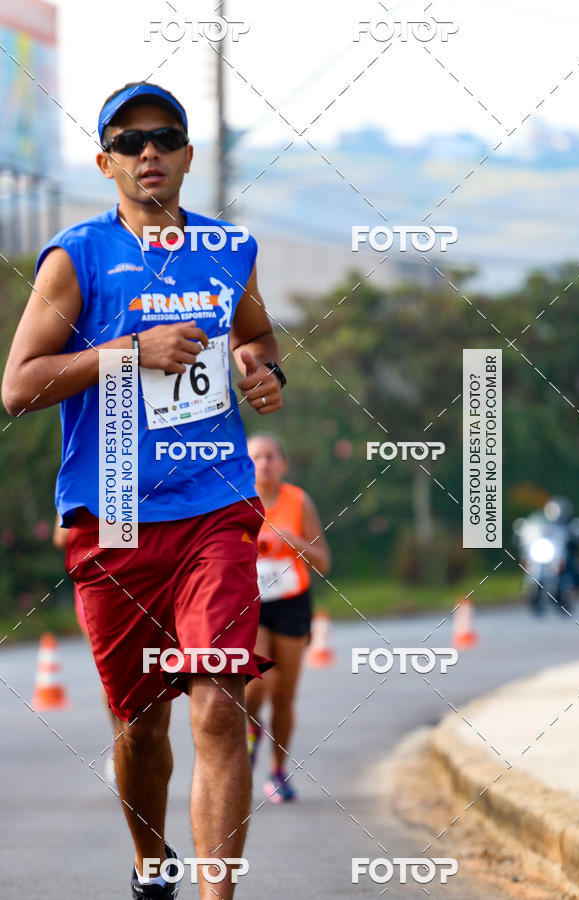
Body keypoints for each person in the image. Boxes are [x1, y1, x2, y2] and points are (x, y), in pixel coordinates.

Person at [2, 82, 287, 899]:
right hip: (116, 514)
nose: (149, 152)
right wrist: (131, 350)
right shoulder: (77, 257)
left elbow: (258, 333)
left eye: (165, 137)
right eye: (129, 142)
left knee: (219, 701)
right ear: (105, 162)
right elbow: (17, 386)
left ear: (190, 156)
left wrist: (261, 370)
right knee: (141, 725)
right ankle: (152, 864)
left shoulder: (231, 248)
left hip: (217, 506)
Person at [245, 433, 330, 802]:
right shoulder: (235, 499)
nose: (263, 463)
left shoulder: (298, 502)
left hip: (292, 602)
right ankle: (250, 732)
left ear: (282, 463)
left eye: (270, 456)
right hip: (251, 604)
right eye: (256, 457)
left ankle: (278, 770)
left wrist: (297, 542)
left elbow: (324, 562)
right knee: (256, 686)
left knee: (283, 695)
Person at [52, 513, 118, 785]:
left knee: (138, 670)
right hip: (92, 589)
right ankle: (120, 742)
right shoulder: (77, 478)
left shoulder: (132, 475)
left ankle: (140, 738)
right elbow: (60, 537)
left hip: (134, 583)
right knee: (110, 674)